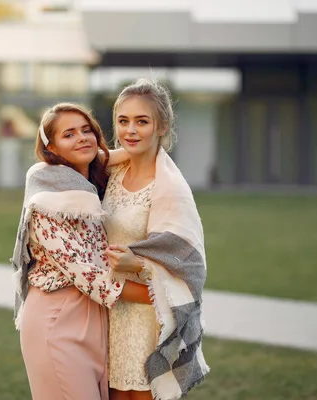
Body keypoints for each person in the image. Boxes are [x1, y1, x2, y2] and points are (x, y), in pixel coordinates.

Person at [11, 103, 151, 400]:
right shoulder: (48, 201)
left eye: (87, 130)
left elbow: (126, 152)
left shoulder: (88, 178)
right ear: (51, 147)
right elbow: (92, 279)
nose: (82, 138)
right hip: (57, 320)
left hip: (94, 319)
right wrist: (161, 296)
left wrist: (149, 138)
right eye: (69, 134)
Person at [103, 79, 210, 400]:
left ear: (161, 126)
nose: (131, 130)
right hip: (107, 315)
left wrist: (138, 263)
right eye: (123, 121)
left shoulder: (170, 188)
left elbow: (189, 267)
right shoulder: (112, 172)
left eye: (142, 121)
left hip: (148, 321)